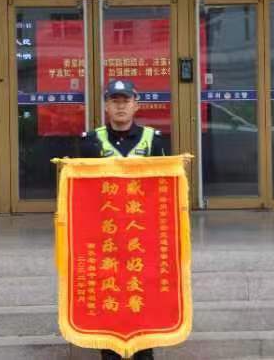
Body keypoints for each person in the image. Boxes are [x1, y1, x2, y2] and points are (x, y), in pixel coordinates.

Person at [80, 79, 164, 360]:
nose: (120, 107)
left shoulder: (154, 141)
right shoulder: (91, 142)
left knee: (143, 299)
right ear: (106, 106)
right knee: (110, 299)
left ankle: (144, 353)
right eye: (114, 101)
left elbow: (166, 188)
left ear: (136, 105)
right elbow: (81, 193)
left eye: (125, 101)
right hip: (106, 240)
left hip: (143, 239)